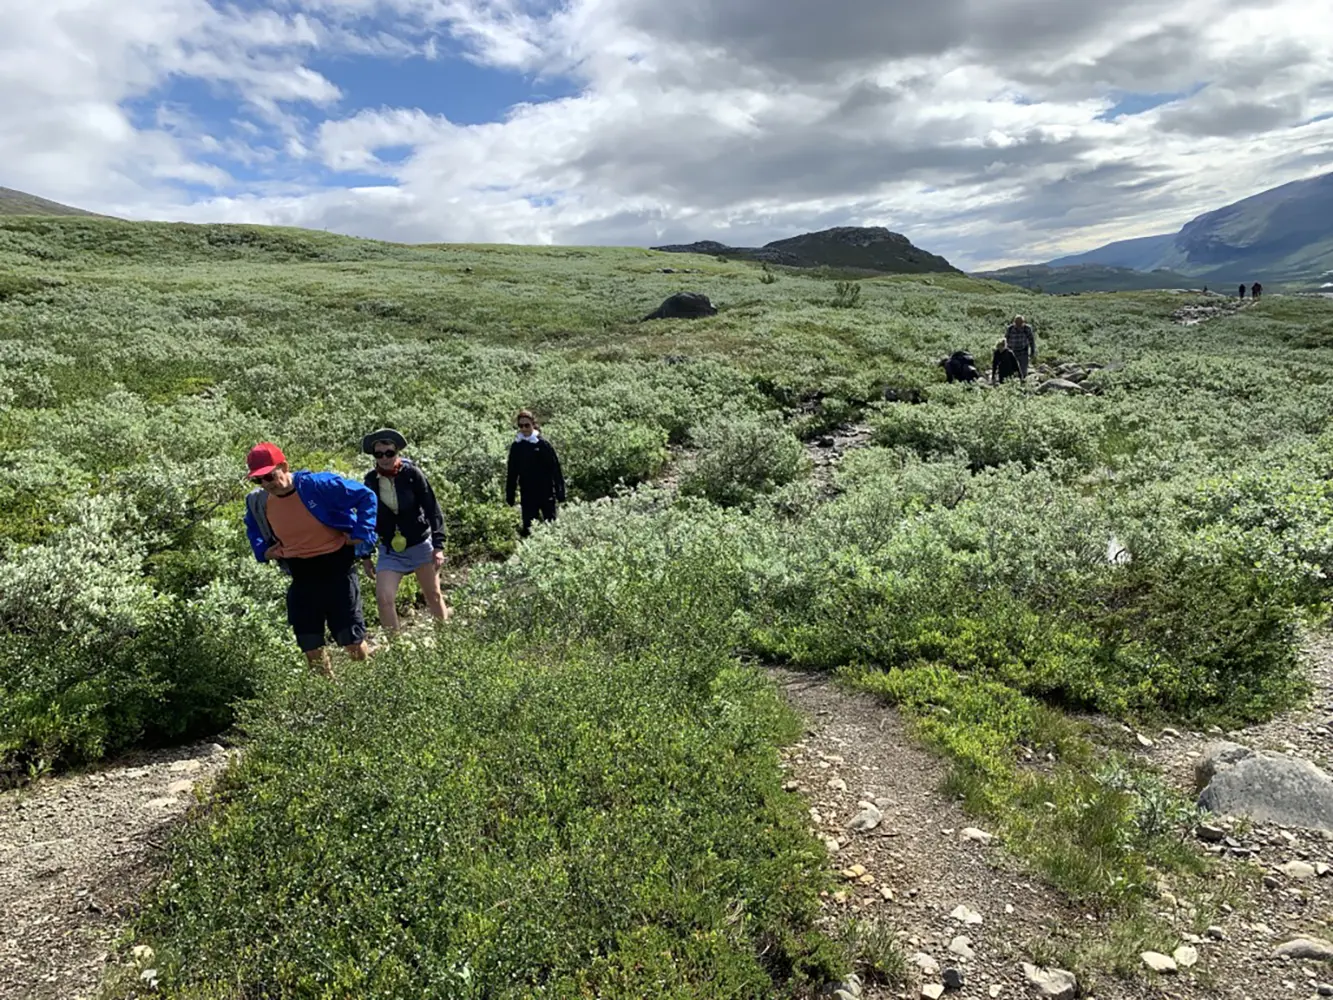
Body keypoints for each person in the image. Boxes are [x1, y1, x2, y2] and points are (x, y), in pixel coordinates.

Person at [243, 442, 378, 678]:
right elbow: (252, 527)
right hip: (301, 573)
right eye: (258, 480)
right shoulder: (258, 501)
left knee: (351, 639)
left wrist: (361, 533)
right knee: (309, 643)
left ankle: (369, 686)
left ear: (284, 466)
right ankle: (328, 695)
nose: (266, 484)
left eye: (269, 476)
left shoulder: (318, 485)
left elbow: (366, 497)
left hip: (337, 568)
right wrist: (263, 550)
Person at [360, 428, 450, 633]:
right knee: (384, 598)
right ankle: (398, 652)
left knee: (433, 595)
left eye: (389, 453)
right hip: (391, 549)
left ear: (397, 452)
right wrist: (365, 555)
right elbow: (366, 519)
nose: (384, 458)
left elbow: (432, 508)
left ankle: (446, 640)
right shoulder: (370, 481)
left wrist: (438, 546)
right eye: (379, 454)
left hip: (419, 544)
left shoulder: (412, 474)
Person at [506, 409, 565, 537]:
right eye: (521, 426)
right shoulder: (517, 446)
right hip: (527, 494)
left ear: (533, 424)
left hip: (546, 493)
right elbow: (512, 472)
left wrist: (560, 491)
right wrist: (510, 493)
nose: (524, 428)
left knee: (552, 528)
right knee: (529, 530)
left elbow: (555, 468)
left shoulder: (543, 444)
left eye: (527, 425)